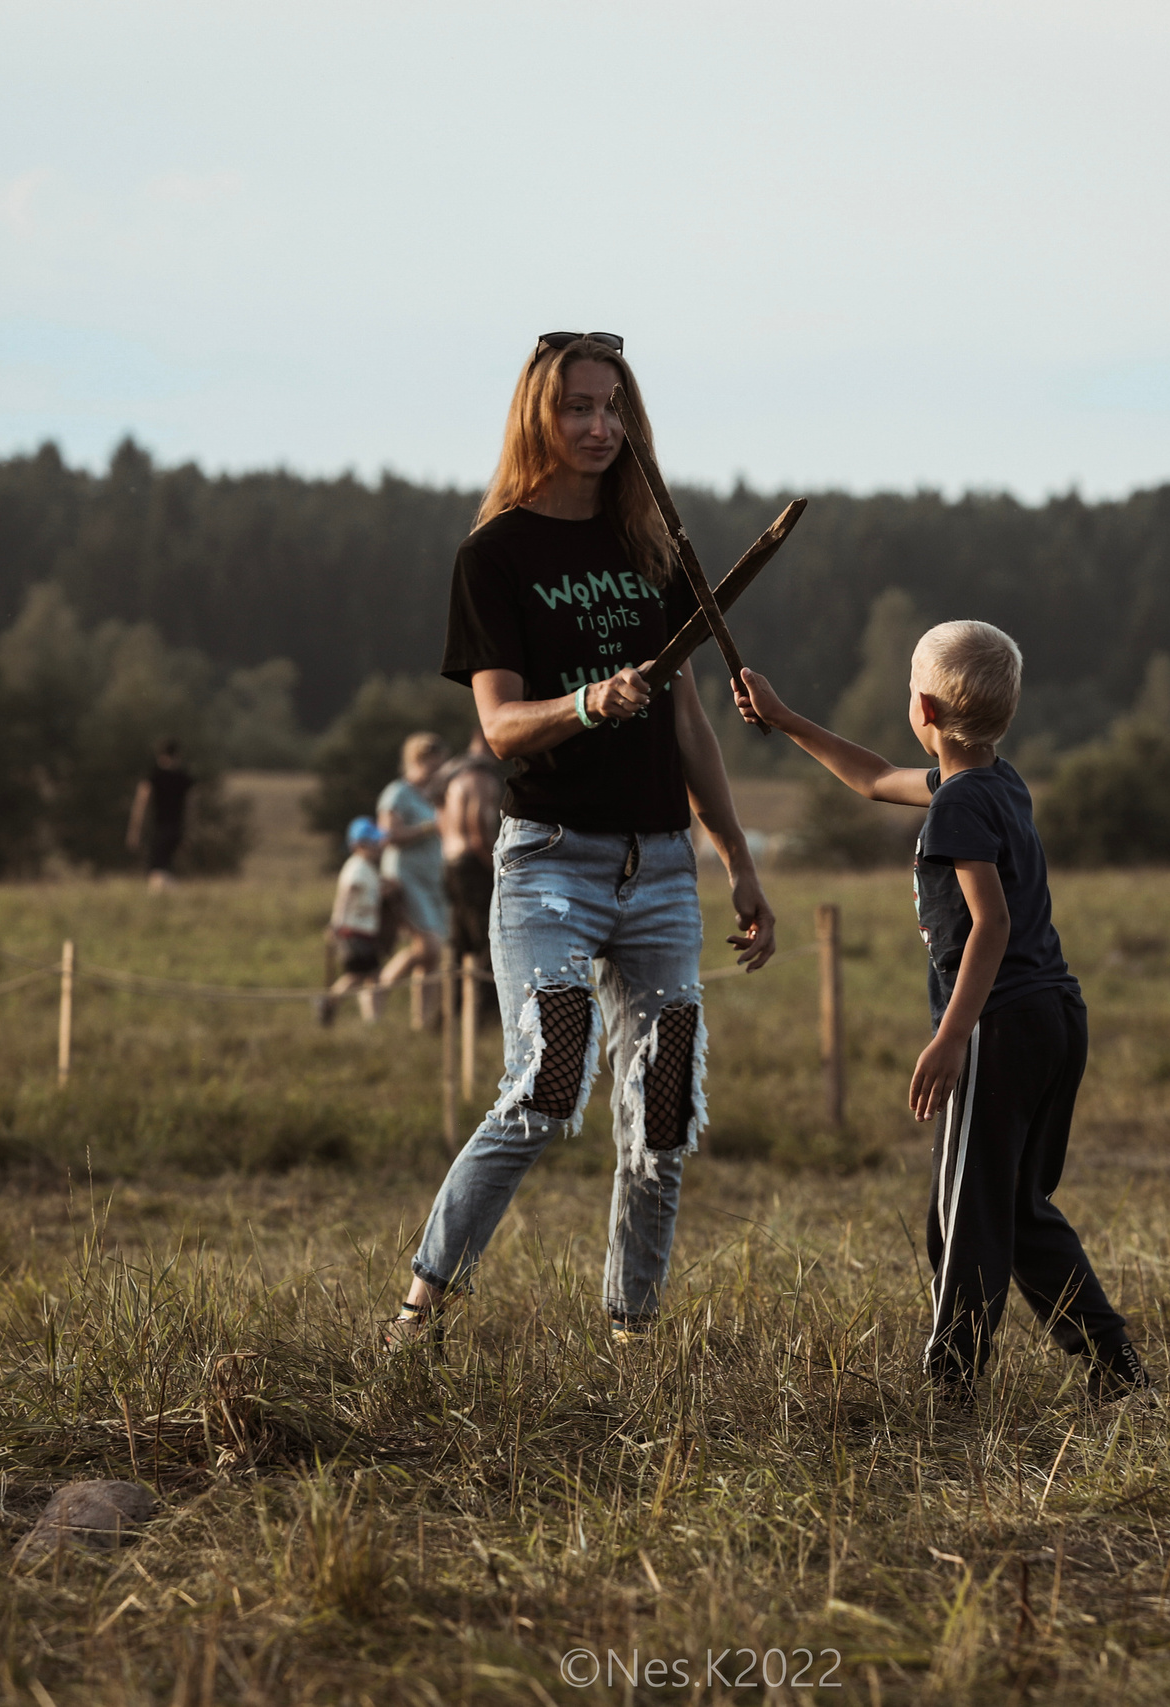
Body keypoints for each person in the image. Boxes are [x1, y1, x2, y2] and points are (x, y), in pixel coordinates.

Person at [386, 331, 776, 1351]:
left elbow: (689, 720)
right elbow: (499, 729)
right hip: (551, 859)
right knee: (549, 1084)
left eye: (614, 409)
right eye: (577, 410)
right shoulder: (497, 555)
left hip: (660, 866)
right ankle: (420, 1310)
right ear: (536, 418)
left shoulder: (654, 550)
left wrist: (736, 859)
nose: (599, 428)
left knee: (663, 1108)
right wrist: (593, 700)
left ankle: (631, 1339)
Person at [736, 623, 1152, 1405]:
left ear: (921, 705)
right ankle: (1116, 1368)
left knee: (960, 1214)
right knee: (1019, 1211)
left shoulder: (959, 806)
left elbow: (988, 924)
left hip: (1001, 1022)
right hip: (1057, 1014)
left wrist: (951, 1035)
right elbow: (872, 779)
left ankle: (951, 1383)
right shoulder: (996, 784)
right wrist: (786, 719)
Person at [376, 732, 450, 1021]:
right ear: (416, 761)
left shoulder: (431, 796)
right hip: (405, 877)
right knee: (428, 944)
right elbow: (389, 836)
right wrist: (428, 827)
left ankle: (422, 1018)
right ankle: (380, 987)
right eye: (432, 765)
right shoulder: (397, 793)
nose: (436, 771)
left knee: (433, 954)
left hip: (433, 879)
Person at [437, 728, 505, 1022]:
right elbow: (478, 826)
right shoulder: (482, 779)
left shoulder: (453, 778)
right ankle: (484, 1011)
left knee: (459, 939)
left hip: (451, 861)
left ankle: (450, 1011)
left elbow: (441, 819)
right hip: (473, 862)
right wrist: (495, 867)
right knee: (487, 937)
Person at [320, 818, 393, 1025]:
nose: (377, 847)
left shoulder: (367, 868)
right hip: (354, 931)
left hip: (365, 931)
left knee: (367, 977)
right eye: (372, 843)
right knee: (360, 976)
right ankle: (329, 1002)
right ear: (358, 845)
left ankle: (371, 1018)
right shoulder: (357, 869)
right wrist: (337, 923)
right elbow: (346, 896)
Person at [125, 738, 194, 893]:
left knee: (156, 872)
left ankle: (172, 898)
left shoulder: (152, 777)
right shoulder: (184, 779)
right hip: (176, 830)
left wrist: (134, 831)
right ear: (178, 755)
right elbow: (191, 809)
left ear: (160, 756)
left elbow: (140, 806)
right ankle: (170, 898)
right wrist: (188, 834)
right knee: (163, 868)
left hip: (158, 829)